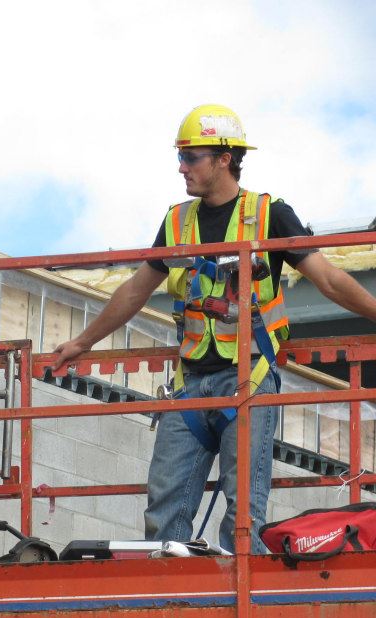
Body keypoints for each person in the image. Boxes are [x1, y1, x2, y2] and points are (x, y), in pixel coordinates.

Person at [53, 104, 376, 553]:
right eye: (181, 157)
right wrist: (82, 342)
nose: (181, 167)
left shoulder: (270, 214)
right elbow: (135, 290)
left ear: (225, 158)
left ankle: (243, 606)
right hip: (190, 386)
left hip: (248, 380)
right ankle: (172, 602)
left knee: (243, 513)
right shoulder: (177, 221)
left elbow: (331, 280)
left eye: (192, 157)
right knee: (163, 509)